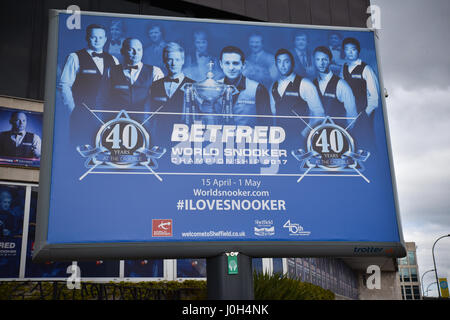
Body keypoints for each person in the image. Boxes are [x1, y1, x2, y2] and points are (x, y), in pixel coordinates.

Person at [58, 24, 119, 144]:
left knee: (104, 149)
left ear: (106, 39)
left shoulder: (113, 60)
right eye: (93, 37)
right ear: (87, 38)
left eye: (100, 38)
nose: (97, 40)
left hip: (107, 115)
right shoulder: (75, 57)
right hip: (82, 113)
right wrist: (72, 109)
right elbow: (64, 85)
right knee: (80, 148)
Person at [102, 38, 164, 122]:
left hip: (145, 122)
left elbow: (159, 102)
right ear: (122, 51)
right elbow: (102, 98)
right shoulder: (110, 71)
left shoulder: (155, 71)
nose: (136, 53)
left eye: (139, 49)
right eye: (131, 49)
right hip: (117, 121)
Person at [270, 48, 324, 136]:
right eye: (279, 62)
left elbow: (319, 114)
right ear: (276, 64)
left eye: (286, 61)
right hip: (280, 138)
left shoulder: (305, 84)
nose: (282, 65)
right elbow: (273, 114)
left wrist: (305, 133)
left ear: (292, 64)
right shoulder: (273, 86)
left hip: (301, 137)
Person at [150, 42, 195, 144]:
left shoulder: (193, 86)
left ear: (183, 61)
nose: (173, 63)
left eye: (177, 60)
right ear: (164, 61)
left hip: (185, 138)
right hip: (160, 137)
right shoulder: (155, 85)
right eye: (170, 59)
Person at [218, 45, 271, 126]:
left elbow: (267, 125)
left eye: (235, 63)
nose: (231, 68)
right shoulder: (213, 88)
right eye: (227, 63)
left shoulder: (258, 89)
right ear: (221, 64)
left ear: (243, 65)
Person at [341, 37, 380, 147]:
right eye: (347, 49)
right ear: (344, 51)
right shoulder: (344, 68)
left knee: (366, 143)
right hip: (348, 114)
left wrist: (365, 115)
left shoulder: (366, 69)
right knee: (350, 144)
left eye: (353, 49)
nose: (350, 52)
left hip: (363, 114)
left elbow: (374, 97)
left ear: (358, 50)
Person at [312, 46, 357, 128]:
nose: (321, 63)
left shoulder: (341, 85)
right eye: (317, 59)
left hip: (337, 134)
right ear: (314, 61)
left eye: (324, 59)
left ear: (330, 61)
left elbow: (352, 116)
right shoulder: (312, 84)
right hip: (317, 134)